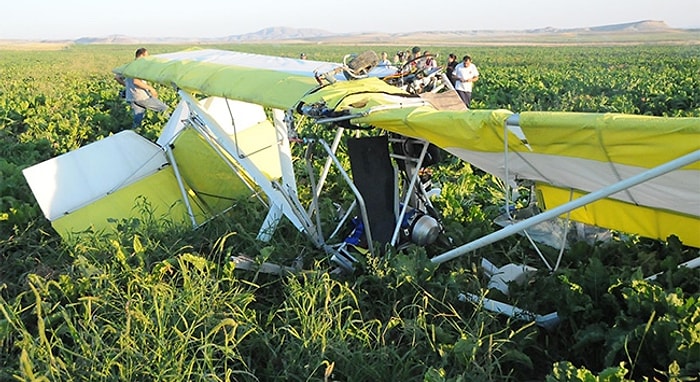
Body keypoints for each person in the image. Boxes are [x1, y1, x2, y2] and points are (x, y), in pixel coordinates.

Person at [115, 48, 168, 129]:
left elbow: (117, 77)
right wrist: (151, 89)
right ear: (142, 55)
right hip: (141, 97)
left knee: (138, 119)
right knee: (164, 109)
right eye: (146, 55)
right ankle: (170, 130)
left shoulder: (129, 66)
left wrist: (128, 85)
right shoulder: (138, 66)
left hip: (131, 97)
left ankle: (136, 133)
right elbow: (136, 81)